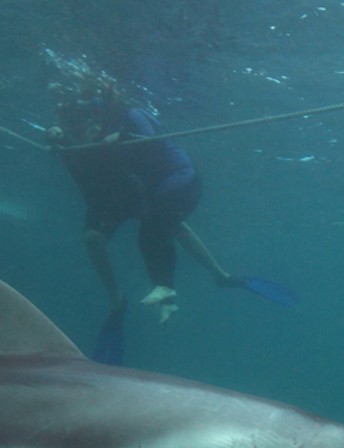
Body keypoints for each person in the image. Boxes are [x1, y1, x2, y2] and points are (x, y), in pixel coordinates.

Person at [47, 70, 296, 364]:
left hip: (128, 190)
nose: (91, 123)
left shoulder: (115, 119)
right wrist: (57, 137)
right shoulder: (79, 128)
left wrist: (118, 138)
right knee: (98, 237)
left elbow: (143, 141)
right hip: (106, 198)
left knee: (167, 224)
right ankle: (119, 299)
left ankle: (219, 276)